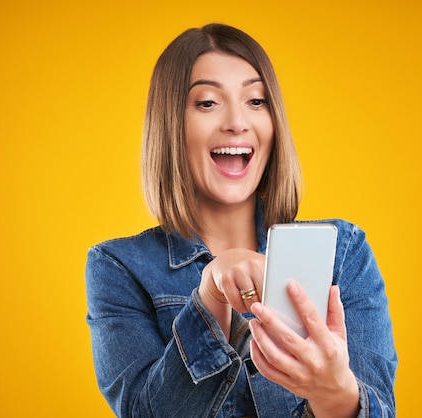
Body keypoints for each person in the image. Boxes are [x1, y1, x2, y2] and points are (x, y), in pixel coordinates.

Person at [85, 23, 397, 418]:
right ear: (170, 126)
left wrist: (335, 393)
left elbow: (380, 405)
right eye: (207, 103)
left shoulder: (344, 252)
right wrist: (210, 300)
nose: (237, 121)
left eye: (256, 101)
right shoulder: (118, 267)